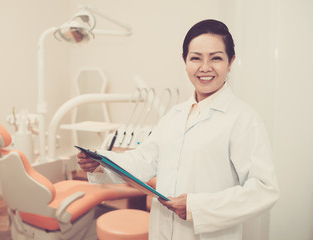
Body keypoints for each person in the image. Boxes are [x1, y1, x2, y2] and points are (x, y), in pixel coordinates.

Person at [77, 19, 279, 240]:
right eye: (195, 58)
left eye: (216, 58)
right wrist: (100, 162)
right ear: (185, 62)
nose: (204, 68)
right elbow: (143, 160)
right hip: (162, 231)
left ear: (230, 62)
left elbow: (263, 190)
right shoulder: (174, 116)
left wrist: (196, 207)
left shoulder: (243, 119)